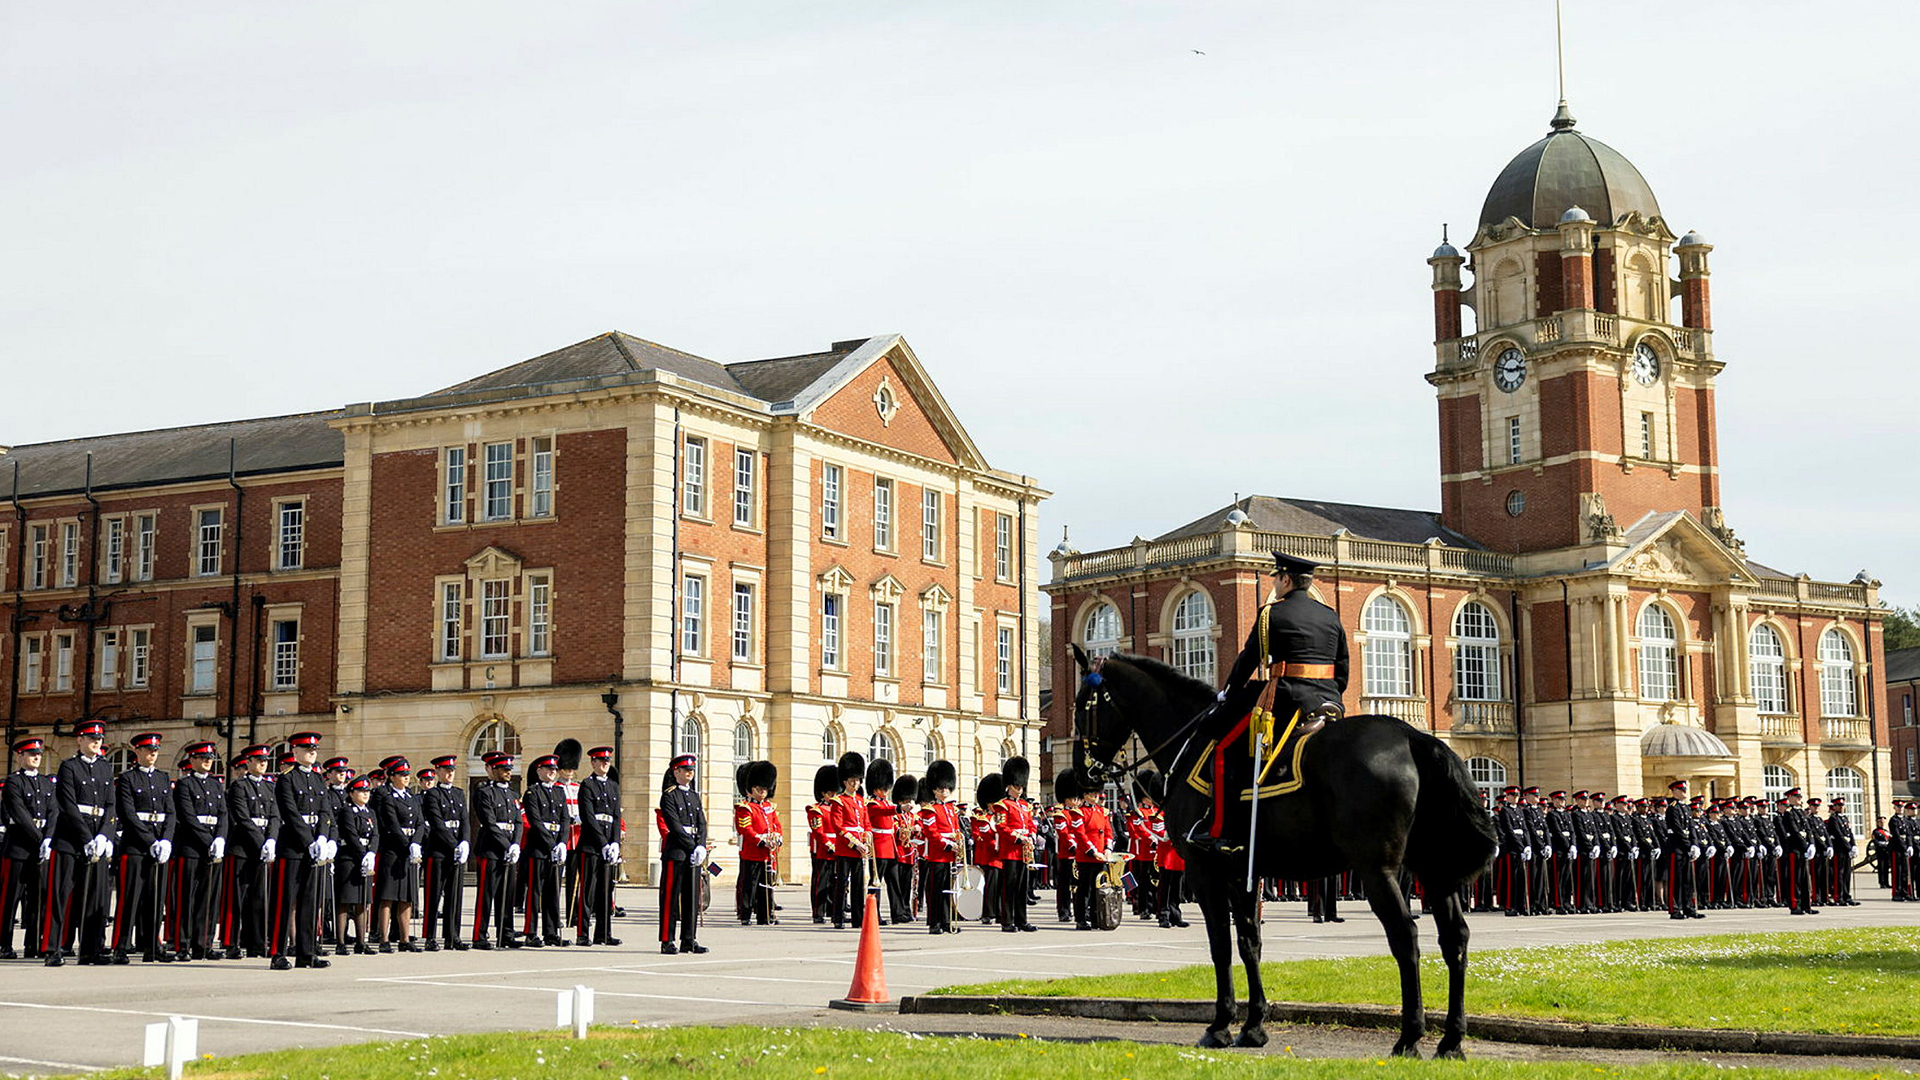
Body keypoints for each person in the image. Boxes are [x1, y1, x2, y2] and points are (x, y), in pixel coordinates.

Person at [1199, 551, 1349, 850]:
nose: (1276, 584)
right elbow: (1342, 668)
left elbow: (1248, 660)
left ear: (1285, 579)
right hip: (1330, 702)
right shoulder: (1330, 616)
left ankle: (1223, 830)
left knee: (1225, 748)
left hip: (1289, 701)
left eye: (1277, 579)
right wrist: (1331, 692)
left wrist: (1228, 691)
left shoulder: (1272, 613)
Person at [47, 721, 117, 967]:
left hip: (97, 838)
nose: (95, 742)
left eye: (98, 739)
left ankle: (91, 949)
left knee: (95, 897)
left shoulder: (106, 768)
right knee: (61, 896)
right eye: (90, 738)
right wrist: (86, 837)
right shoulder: (69, 767)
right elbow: (68, 805)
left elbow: (111, 806)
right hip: (70, 839)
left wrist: (103, 835)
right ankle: (53, 948)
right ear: (79, 740)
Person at [271, 731, 336, 970]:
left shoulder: (319, 779)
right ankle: (277, 952)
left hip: (313, 848)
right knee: (285, 901)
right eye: (307, 749)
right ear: (295, 752)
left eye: (314, 749)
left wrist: (323, 836)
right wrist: (310, 840)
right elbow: (290, 813)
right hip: (292, 848)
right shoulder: (287, 778)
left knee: (310, 902)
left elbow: (325, 811)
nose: (312, 752)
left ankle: (306, 953)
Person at [169, 741, 228, 962]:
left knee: (209, 898)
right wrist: (208, 840)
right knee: (186, 898)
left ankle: (203, 943)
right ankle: (182, 944)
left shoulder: (215, 785)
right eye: (202, 757)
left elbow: (223, 814)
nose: (207, 761)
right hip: (191, 847)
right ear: (192, 760)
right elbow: (187, 817)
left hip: (212, 848)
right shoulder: (185, 785)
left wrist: (220, 838)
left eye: (210, 757)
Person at [222, 745, 279, 960]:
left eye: (264, 760)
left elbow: (274, 815)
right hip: (243, 848)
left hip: (263, 849)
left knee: (259, 898)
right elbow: (242, 818)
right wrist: (261, 841)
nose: (262, 763)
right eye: (258, 760)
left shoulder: (269, 787)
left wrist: (272, 839)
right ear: (248, 762)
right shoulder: (239, 787)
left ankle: (256, 943)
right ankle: (232, 943)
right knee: (237, 898)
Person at [2, 737, 54, 960]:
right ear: (20, 756)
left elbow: (54, 811)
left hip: (40, 847)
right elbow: (20, 815)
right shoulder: (14, 782)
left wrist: (49, 838)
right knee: (10, 898)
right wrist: (40, 838)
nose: (36, 757)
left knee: (37, 898)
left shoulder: (46, 783)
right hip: (19, 846)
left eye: (39, 754)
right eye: (31, 754)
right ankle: (4, 943)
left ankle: (33, 943)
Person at [470, 752, 522, 949]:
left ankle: (505, 933)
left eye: (509, 769)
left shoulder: (512, 795)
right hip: (491, 849)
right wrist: (507, 845)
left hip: (509, 849)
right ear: (492, 770)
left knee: (507, 894)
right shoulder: (484, 792)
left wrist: (516, 844)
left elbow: (517, 821)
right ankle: (479, 935)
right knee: (486, 894)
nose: (508, 772)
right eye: (503, 769)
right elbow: (489, 823)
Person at [372, 757, 424, 952]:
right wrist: (407, 844)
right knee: (388, 897)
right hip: (393, 851)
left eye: (407, 775)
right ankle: (384, 939)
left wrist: (416, 843)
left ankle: (404, 939)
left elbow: (420, 822)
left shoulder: (412, 798)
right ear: (392, 777)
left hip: (410, 852)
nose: (406, 778)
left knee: (406, 897)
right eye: (402, 775)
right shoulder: (388, 798)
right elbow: (391, 825)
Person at [658, 752, 708, 954]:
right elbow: (674, 826)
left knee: (691, 898)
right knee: (670, 898)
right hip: (677, 852)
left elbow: (701, 823)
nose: (689, 773)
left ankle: (689, 938)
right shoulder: (669, 795)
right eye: (685, 770)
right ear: (675, 771)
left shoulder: (694, 796)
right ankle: (666, 940)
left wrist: (702, 845)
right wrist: (692, 846)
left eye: (691, 770)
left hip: (693, 852)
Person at [518, 754, 569, 948]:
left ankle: (551, 931)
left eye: (554, 770)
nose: (552, 772)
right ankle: (531, 932)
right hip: (539, 848)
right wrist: (552, 844)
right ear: (539, 771)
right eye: (548, 769)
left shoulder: (559, 792)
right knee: (535, 892)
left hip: (556, 846)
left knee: (552, 892)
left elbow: (565, 819)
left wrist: (563, 842)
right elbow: (536, 822)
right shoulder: (532, 793)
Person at [574, 746, 624, 945]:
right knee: (587, 891)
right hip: (591, 845)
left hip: (608, 844)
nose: (605, 764)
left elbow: (616, 816)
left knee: (605, 891)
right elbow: (588, 817)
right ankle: (582, 933)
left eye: (607, 761)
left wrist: (615, 843)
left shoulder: (613, 786)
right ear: (593, 763)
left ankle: (603, 933)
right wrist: (603, 843)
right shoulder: (587, 785)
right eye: (601, 761)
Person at [420, 755, 470, 951]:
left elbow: (465, 820)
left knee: (455, 894)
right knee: (434, 894)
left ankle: (452, 935)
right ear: (438, 772)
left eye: (452, 770)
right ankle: (430, 936)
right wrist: (454, 845)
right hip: (439, 850)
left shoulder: (458, 794)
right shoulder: (432, 795)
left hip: (457, 850)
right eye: (445, 770)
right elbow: (437, 824)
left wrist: (465, 842)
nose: (450, 773)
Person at [915, 760, 962, 935]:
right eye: (941, 789)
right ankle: (934, 923)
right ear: (934, 789)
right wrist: (948, 844)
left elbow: (955, 830)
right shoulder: (930, 810)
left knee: (947, 891)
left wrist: (958, 842)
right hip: (937, 855)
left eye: (947, 788)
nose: (945, 791)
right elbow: (932, 833)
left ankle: (947, 921)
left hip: (950, 854)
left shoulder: (951, 810)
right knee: (936, 891)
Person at [334, 774, 379, 955]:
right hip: (349, 859)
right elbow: (351, 836)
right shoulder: (347, 811)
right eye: (361, 791)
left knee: (363, 901)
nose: (365, 794)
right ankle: (341, 942)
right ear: (351, 793)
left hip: (365, 857)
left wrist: (371, 853)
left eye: (367, 791)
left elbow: (376, 834)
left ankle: (361, 942)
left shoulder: (370, 812)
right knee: (345, 902)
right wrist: (363, 854)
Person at [733, 759, 780, 927]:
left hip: (767, 853)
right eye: (759, 789)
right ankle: (745, 914)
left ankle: (765, 914)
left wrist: (777, 837)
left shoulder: (769, 807)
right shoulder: (745, 808)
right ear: (751, 790)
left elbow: (776, 825)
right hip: (752, 851)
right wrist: (761, 840)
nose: (762, 792)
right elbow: (746, 829)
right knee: (749, 885)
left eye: (765, 789)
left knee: (766, 885)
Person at [992, 757, 1037, 933]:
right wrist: (1018, 837)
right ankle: (1007, 921)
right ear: (1009, 786)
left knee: (1022, 887)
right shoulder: (1002, 805)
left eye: (1021, 787)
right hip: (1011, 851)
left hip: (1024, 851)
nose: (1019, 790)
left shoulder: (1025, 805)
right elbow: (1001, 827)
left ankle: (1022, 920)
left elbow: (1031, 823)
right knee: (1009, 887)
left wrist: (1032, 835)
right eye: (1016, 786)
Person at [827, 752, 869, 929]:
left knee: (859, 885)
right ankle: (838, 917)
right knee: (842, 883)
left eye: (858, 780)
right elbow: (838, 826)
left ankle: (858, 918)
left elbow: (866, 824)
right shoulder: (839, 801)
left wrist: (865, 841)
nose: (855, 783)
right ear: (844, 781)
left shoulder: (861, 801)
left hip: (860, 848)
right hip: (846, 848)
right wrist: (855, 843)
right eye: (851, 780)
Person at [1071, 773, 1113, 931]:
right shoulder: (1078, 812)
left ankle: (1096, 918)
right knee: (1084, 890)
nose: (1096, 797)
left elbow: (1109, 832)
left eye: (1097, 794)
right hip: (1086, 856)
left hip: (1101, 857)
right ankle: (1081, 919)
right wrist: (1094, 851)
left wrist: (1108, 849)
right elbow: (1080, 835)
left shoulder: (1102, 812)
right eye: (1093, 794)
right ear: (1085, 795)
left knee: (1098, 890)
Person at [864, 759, 901, 926]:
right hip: (878, 847)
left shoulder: (885, 802)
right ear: (875, 789)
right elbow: (883, 812)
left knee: (894, 882)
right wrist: (898, 809)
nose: (886, 791)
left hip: (890, 846)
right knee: (876, 882)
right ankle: (874, 913)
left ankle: (898, 912)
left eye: (887, 788)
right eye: (883, 788)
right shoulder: (873, 804)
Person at [805, 765, 839, 924]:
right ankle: (818, 912)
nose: (833, 795)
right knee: (821, 881)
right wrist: (828, 845)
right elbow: (818, 831)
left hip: (838, 848)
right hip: (822, 850)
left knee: (835, 882)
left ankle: (833, 910)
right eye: (830, 793)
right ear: (823, 793)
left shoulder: (838, 808)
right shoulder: (815, 810)